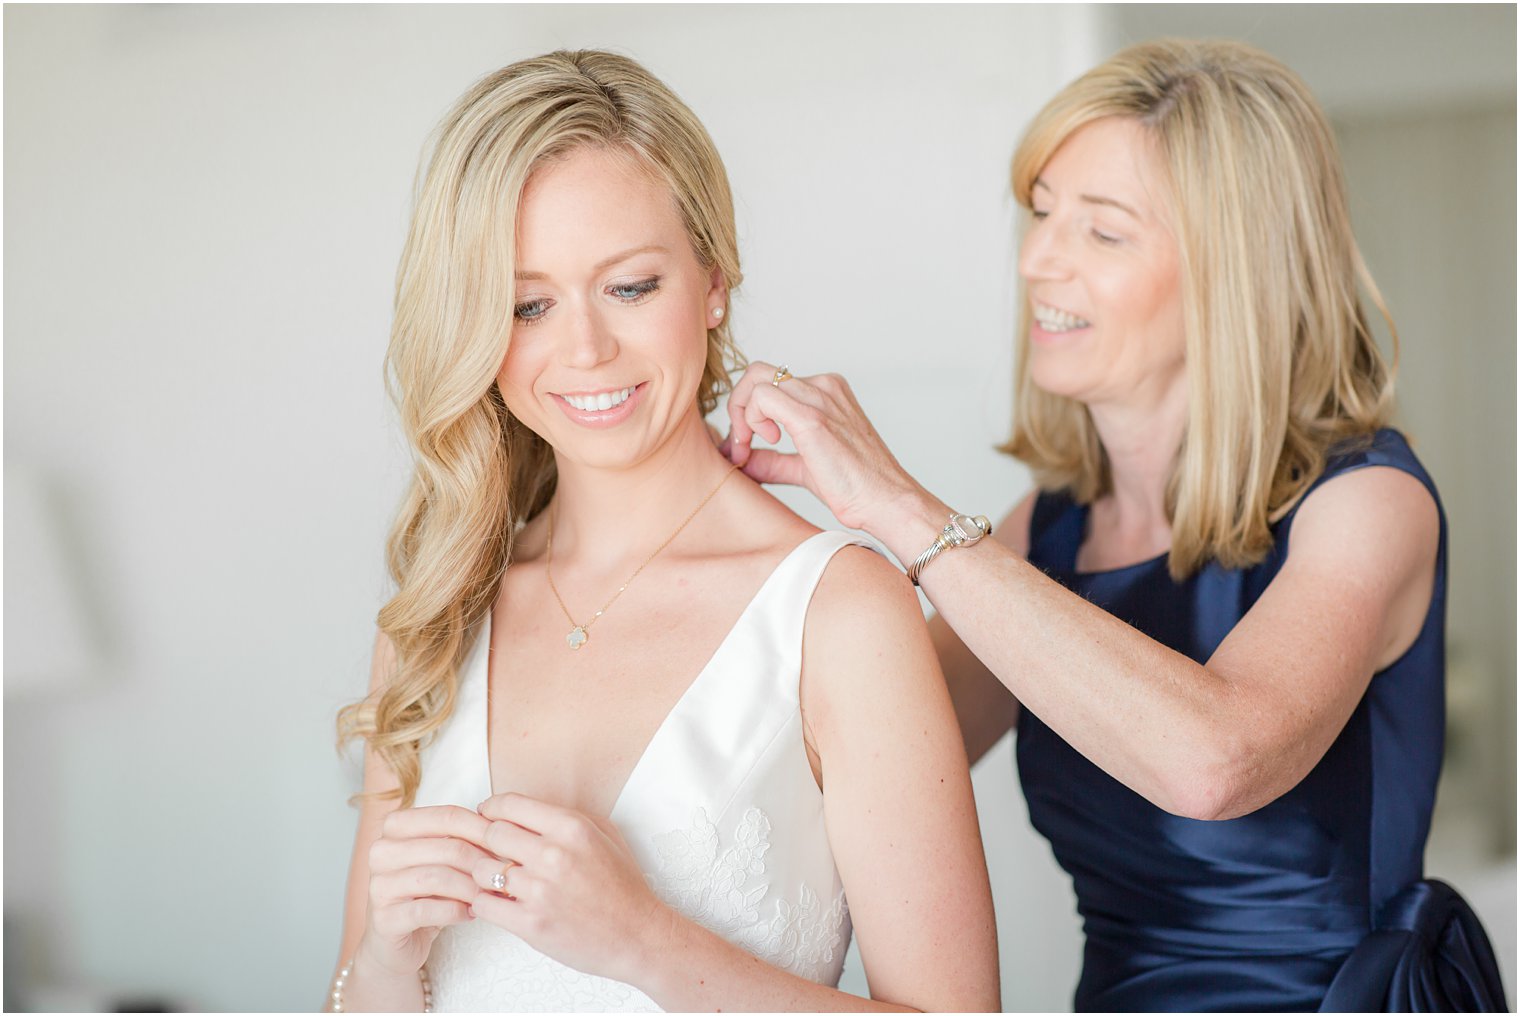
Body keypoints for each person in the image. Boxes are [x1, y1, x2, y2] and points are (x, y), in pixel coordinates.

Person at [723, 39, 1507, 1012]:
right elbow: (853, 747)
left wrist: (897, 505)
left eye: (1100, 232)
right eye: (1042, 212)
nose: (1036, 259)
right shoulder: (1043, 534)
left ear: (1232, 270)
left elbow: (1214, 759)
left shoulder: (1366, 502)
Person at [327, 50, 998, 1013]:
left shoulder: (839, 613)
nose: (586, 350)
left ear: (714, 281)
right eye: (528, 304)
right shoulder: (434, 618)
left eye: (630, 287)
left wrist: (641, 943)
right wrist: (387, 962)